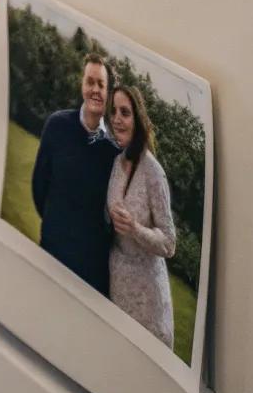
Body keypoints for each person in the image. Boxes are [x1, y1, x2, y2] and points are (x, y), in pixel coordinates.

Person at [31, 56, 119, 295]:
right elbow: (39, 185)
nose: (95, 90)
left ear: (109, 92)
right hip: (51, 252)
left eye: (101, 84)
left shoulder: (115, 150)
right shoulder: (57, 125)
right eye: (90, 82)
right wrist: (55, 226)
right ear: (82, 84)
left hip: (91, 273)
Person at [106, 85, 176, 348]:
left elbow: (169, 243)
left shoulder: (153, 172)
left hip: (148, 301)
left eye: (125, 112)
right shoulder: (116, 163)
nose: (117, 119)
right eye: (113, 111)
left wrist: (135, 227)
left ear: (138, 119)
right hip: (118, 291)